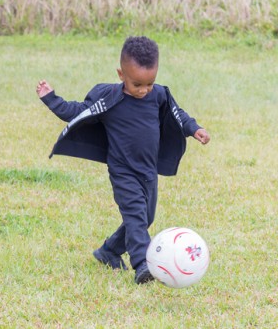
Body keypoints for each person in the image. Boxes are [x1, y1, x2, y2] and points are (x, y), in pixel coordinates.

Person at [36, 36, 210, 284]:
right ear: (121, 74)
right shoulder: (109, 98)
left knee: (145, 218)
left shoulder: (159, 95)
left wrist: (194, 129)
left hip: (148, 171)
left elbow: (177, 114)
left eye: (150, 83)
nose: (144, 90)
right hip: (123, 171)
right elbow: (76, 112)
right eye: (137, 84)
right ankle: (142, 264)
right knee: (136, 216)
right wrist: (51, 98)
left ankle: (109, 251)